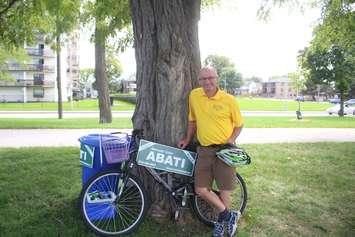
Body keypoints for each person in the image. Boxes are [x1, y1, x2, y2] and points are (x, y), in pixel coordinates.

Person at [178, 66, 243, 237]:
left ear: (217, 78)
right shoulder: (194, 95)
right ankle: (228, 215)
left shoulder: (229, 100)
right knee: (200, 189)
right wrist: (187, 138)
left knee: (224, 190)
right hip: (205, 150)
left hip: (225, 151)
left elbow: (239, 124)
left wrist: (230, 141)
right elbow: (192, 120)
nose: (207, 81)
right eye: (203, 79)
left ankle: (224, 226)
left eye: (210, 78)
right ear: (199, 80)